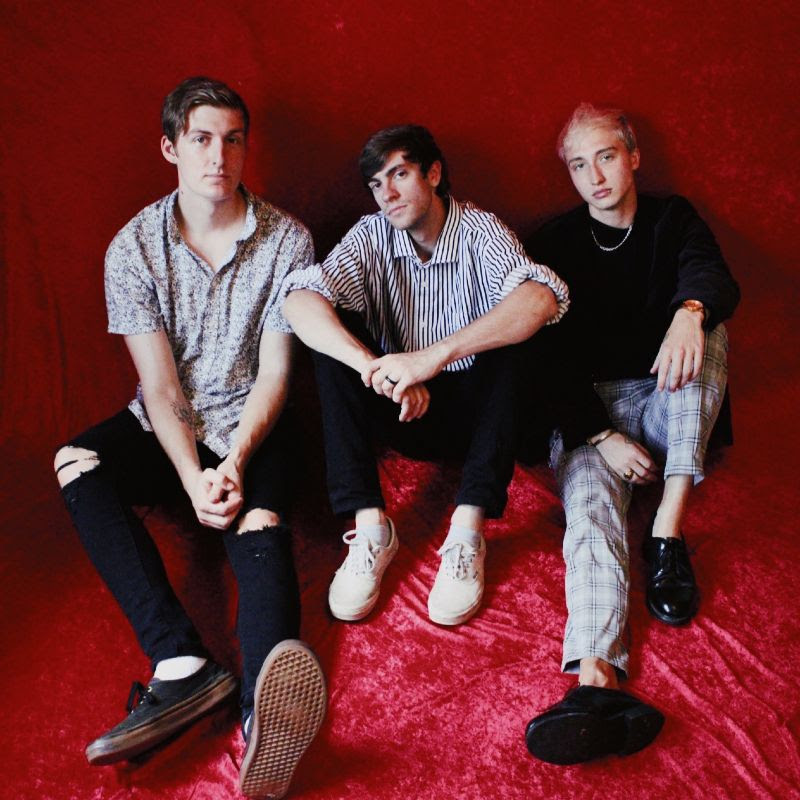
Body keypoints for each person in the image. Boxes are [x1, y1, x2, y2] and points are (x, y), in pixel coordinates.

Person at [54, 77, 326, 799]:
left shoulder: (289, 239)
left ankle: (264, 717)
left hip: (252, 422)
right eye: (202, 139)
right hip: (169, 422)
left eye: (233, 140)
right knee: (76, 461)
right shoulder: (132, 249)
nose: (219, 156)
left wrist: (234, 461)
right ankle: (181, 663)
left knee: (260, 523)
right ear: (170, 148)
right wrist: (190, 476)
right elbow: (160, 385)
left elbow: (276, 373)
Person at [521, 103, 740, 764]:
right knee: (589, 514)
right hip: (592, 417)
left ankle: (667, 532)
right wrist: (598, 435)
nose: (595, 177)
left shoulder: (673, 219)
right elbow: (540, 355)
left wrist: (690, 311)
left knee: (708, 329)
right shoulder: (554, 244)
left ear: (634, 157)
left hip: (668, 398)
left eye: (606, 157)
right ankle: (596, 683)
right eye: (578, 165)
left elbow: (713, 278)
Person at [282, 124, 568, 627]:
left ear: (433, 174)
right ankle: (371, 528)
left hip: (482, 420)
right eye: (376, 184)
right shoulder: (371, 234)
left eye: (399, 175)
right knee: (330, 337)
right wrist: (375, 369)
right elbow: (298, 300)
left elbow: (541, 298)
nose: (387, 194)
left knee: (519, 337)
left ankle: (467, 532)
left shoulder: (480, 230)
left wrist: (429, 359)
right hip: (403, 410)